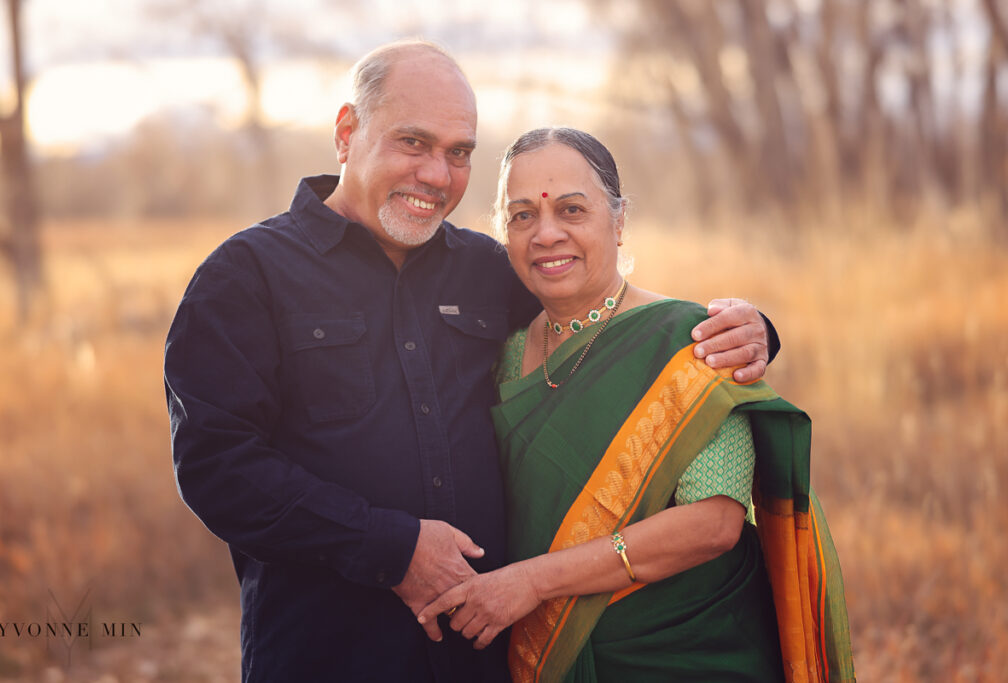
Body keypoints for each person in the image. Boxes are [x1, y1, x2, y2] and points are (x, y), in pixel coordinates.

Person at [163, 43, 779, 682]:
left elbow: (608, 325)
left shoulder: (486, 269)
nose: (437, 175)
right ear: (347, 133)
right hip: (331, 653)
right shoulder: (245, 276)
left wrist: (753, 329)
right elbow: (217, 468)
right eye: (414, 142)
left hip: (486, 655)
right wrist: (393, 550)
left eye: (459, 152)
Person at [416, 127, 855, 683]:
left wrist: (531, 582)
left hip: (687, 652)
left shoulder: (688, 343)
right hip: (553, 653)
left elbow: (714, 523)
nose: (547, 233)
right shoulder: (501, 352)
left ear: (619, 221)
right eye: (522, 216)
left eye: (572, 210)